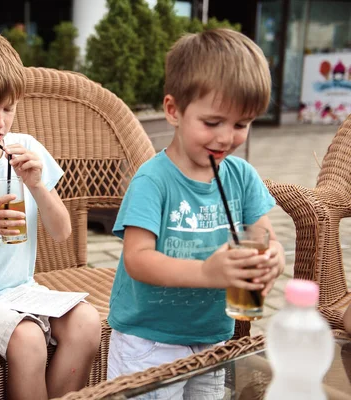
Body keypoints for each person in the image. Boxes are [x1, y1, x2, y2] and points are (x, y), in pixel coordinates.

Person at [107, 29, 286, 399]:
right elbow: (137, 259)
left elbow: (263, 236)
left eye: (240, 125)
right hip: (149, 342)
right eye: (212, 122)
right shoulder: (154, 180)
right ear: (173, 111)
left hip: (211, 336)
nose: (226, 138)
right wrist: (206, 272)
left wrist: (273, 260)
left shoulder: (242, 177)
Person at [0, 31, 102, 400]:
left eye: (8, 109)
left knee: (87, 322)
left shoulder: (26, 148)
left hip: (21, 289)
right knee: (28, 339)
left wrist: (36, 186)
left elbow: (61, 231)